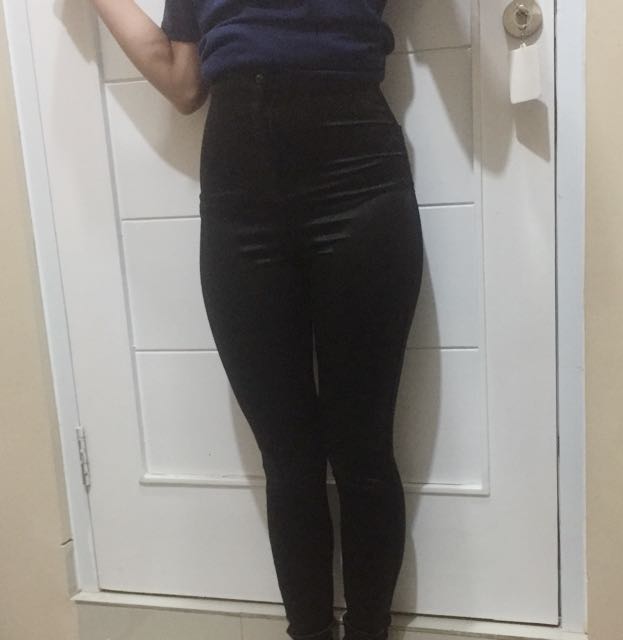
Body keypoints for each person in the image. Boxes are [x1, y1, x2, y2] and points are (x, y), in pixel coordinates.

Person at [90, 2, 424, 640]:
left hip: (358, 175)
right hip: (239, 191)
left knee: (363, 448)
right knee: (288, 458)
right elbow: (184, 82)